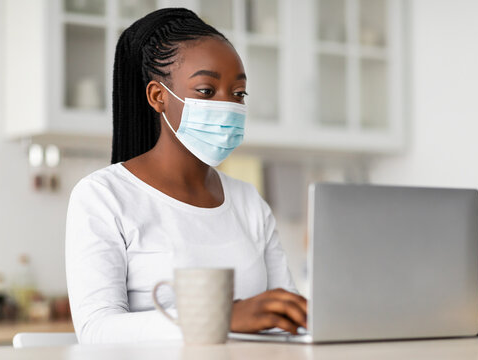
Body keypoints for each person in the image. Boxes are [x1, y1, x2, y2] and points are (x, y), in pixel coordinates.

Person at [65, 8, 307, 344]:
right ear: (158, 96)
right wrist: (221, 316)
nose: (228, 105)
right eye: (207, 91)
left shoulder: (248, 200)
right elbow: (96, 330)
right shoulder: (102, 196)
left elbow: (287, 315)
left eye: (238, 94)